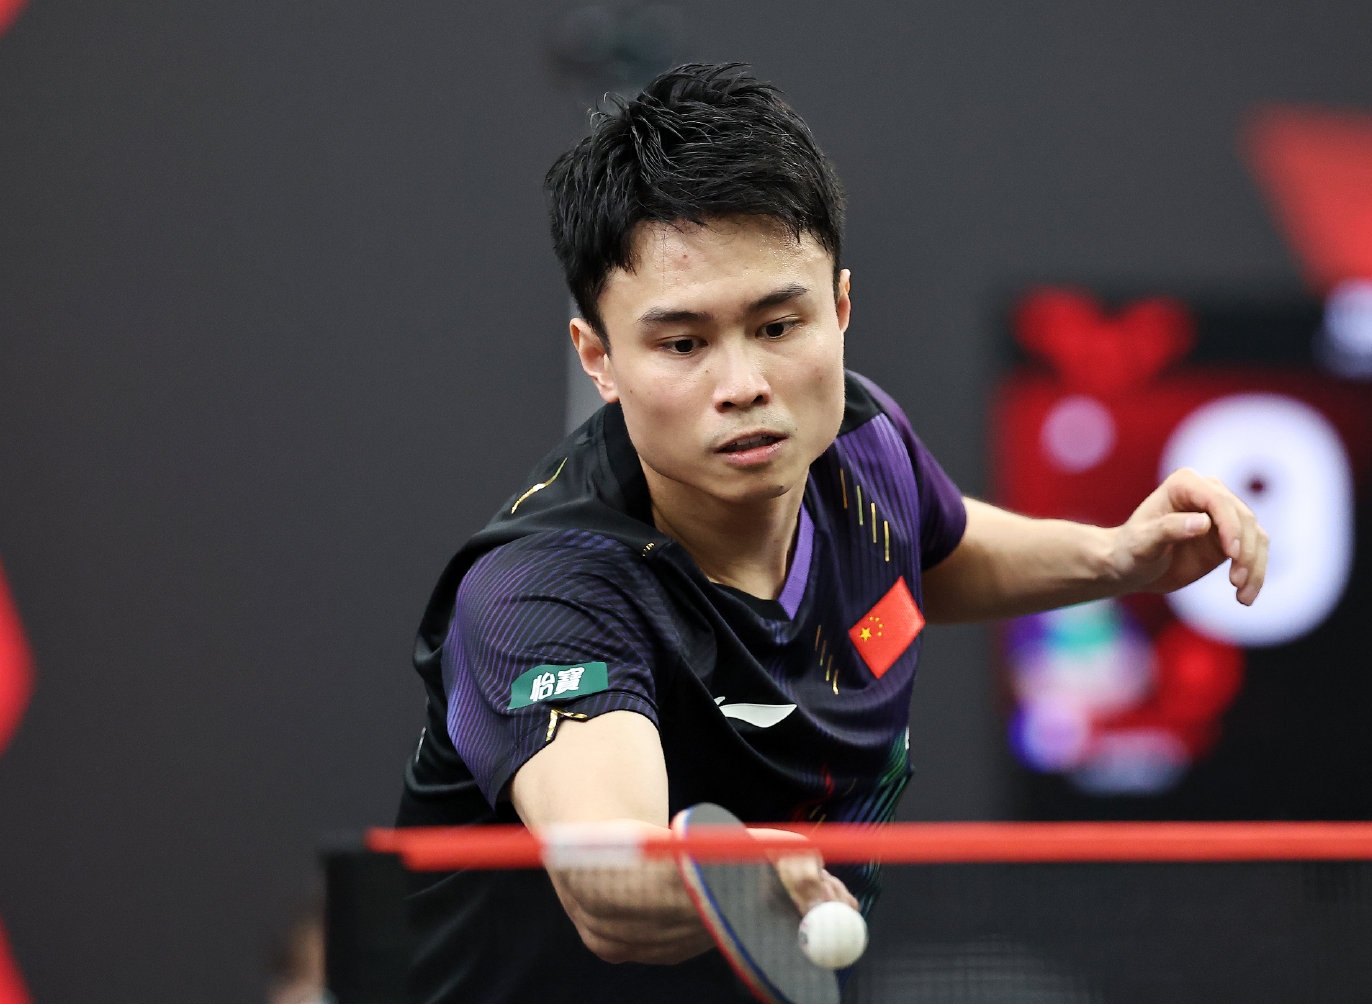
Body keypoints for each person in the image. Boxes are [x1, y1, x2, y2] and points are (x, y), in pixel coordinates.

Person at [395, 62, 1267, 1002]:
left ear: (840, 308)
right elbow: (610, 880)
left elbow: (932, 551)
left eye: (778, 326)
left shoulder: (862, 445)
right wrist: (729, 878)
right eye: (683, 344)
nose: (743, 385)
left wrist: (1115, 557)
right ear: (598, 358)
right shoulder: (544, 590)